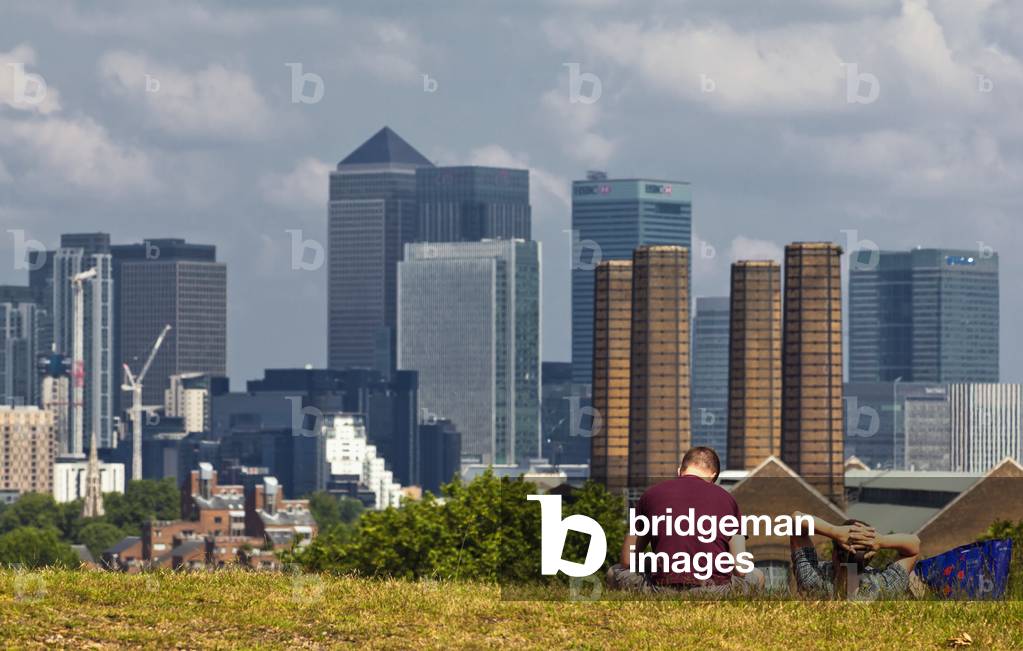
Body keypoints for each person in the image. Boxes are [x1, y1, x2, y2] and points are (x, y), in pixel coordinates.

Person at [606, 447, 764, 596]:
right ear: (713, 476)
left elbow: (627, 561)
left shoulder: (651, 495)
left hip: (661, 588)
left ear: (679, 471)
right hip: (715, 590)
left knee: (614, 572)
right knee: (757, 575)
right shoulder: (728, 500)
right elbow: (741, 568)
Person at [789, 512, 920, 600]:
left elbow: (796, 519)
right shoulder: (884, 587)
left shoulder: (813, 581)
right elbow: (914, 546)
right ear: (869, 558)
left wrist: (832, 531)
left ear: (834, 553)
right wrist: (881, 540)